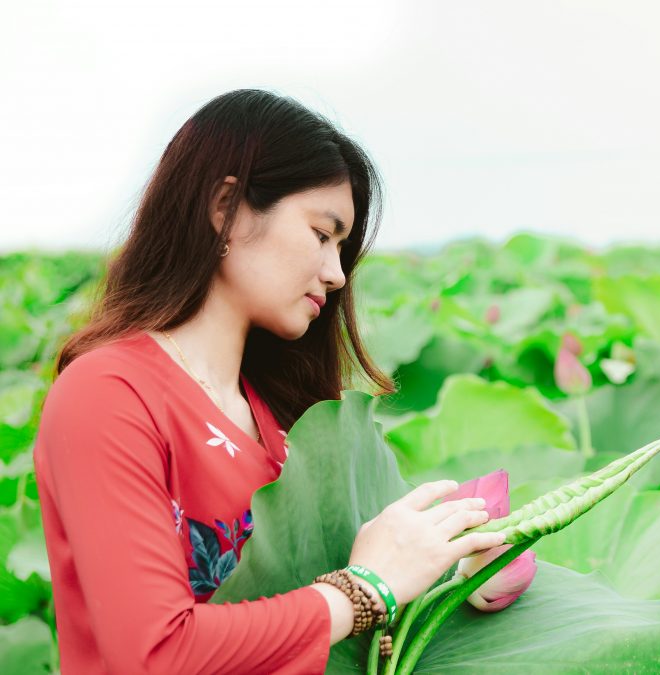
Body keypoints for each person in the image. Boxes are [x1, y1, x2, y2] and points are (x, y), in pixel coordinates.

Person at [32, 88, 506, 673]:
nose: (335, 275)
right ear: (225, 206)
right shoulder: (107, 395)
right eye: (322, 233)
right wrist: (366, 590)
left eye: (343, 248)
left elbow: (315, 617)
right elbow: (155, 651)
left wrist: (449, 576)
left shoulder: (280, 421)